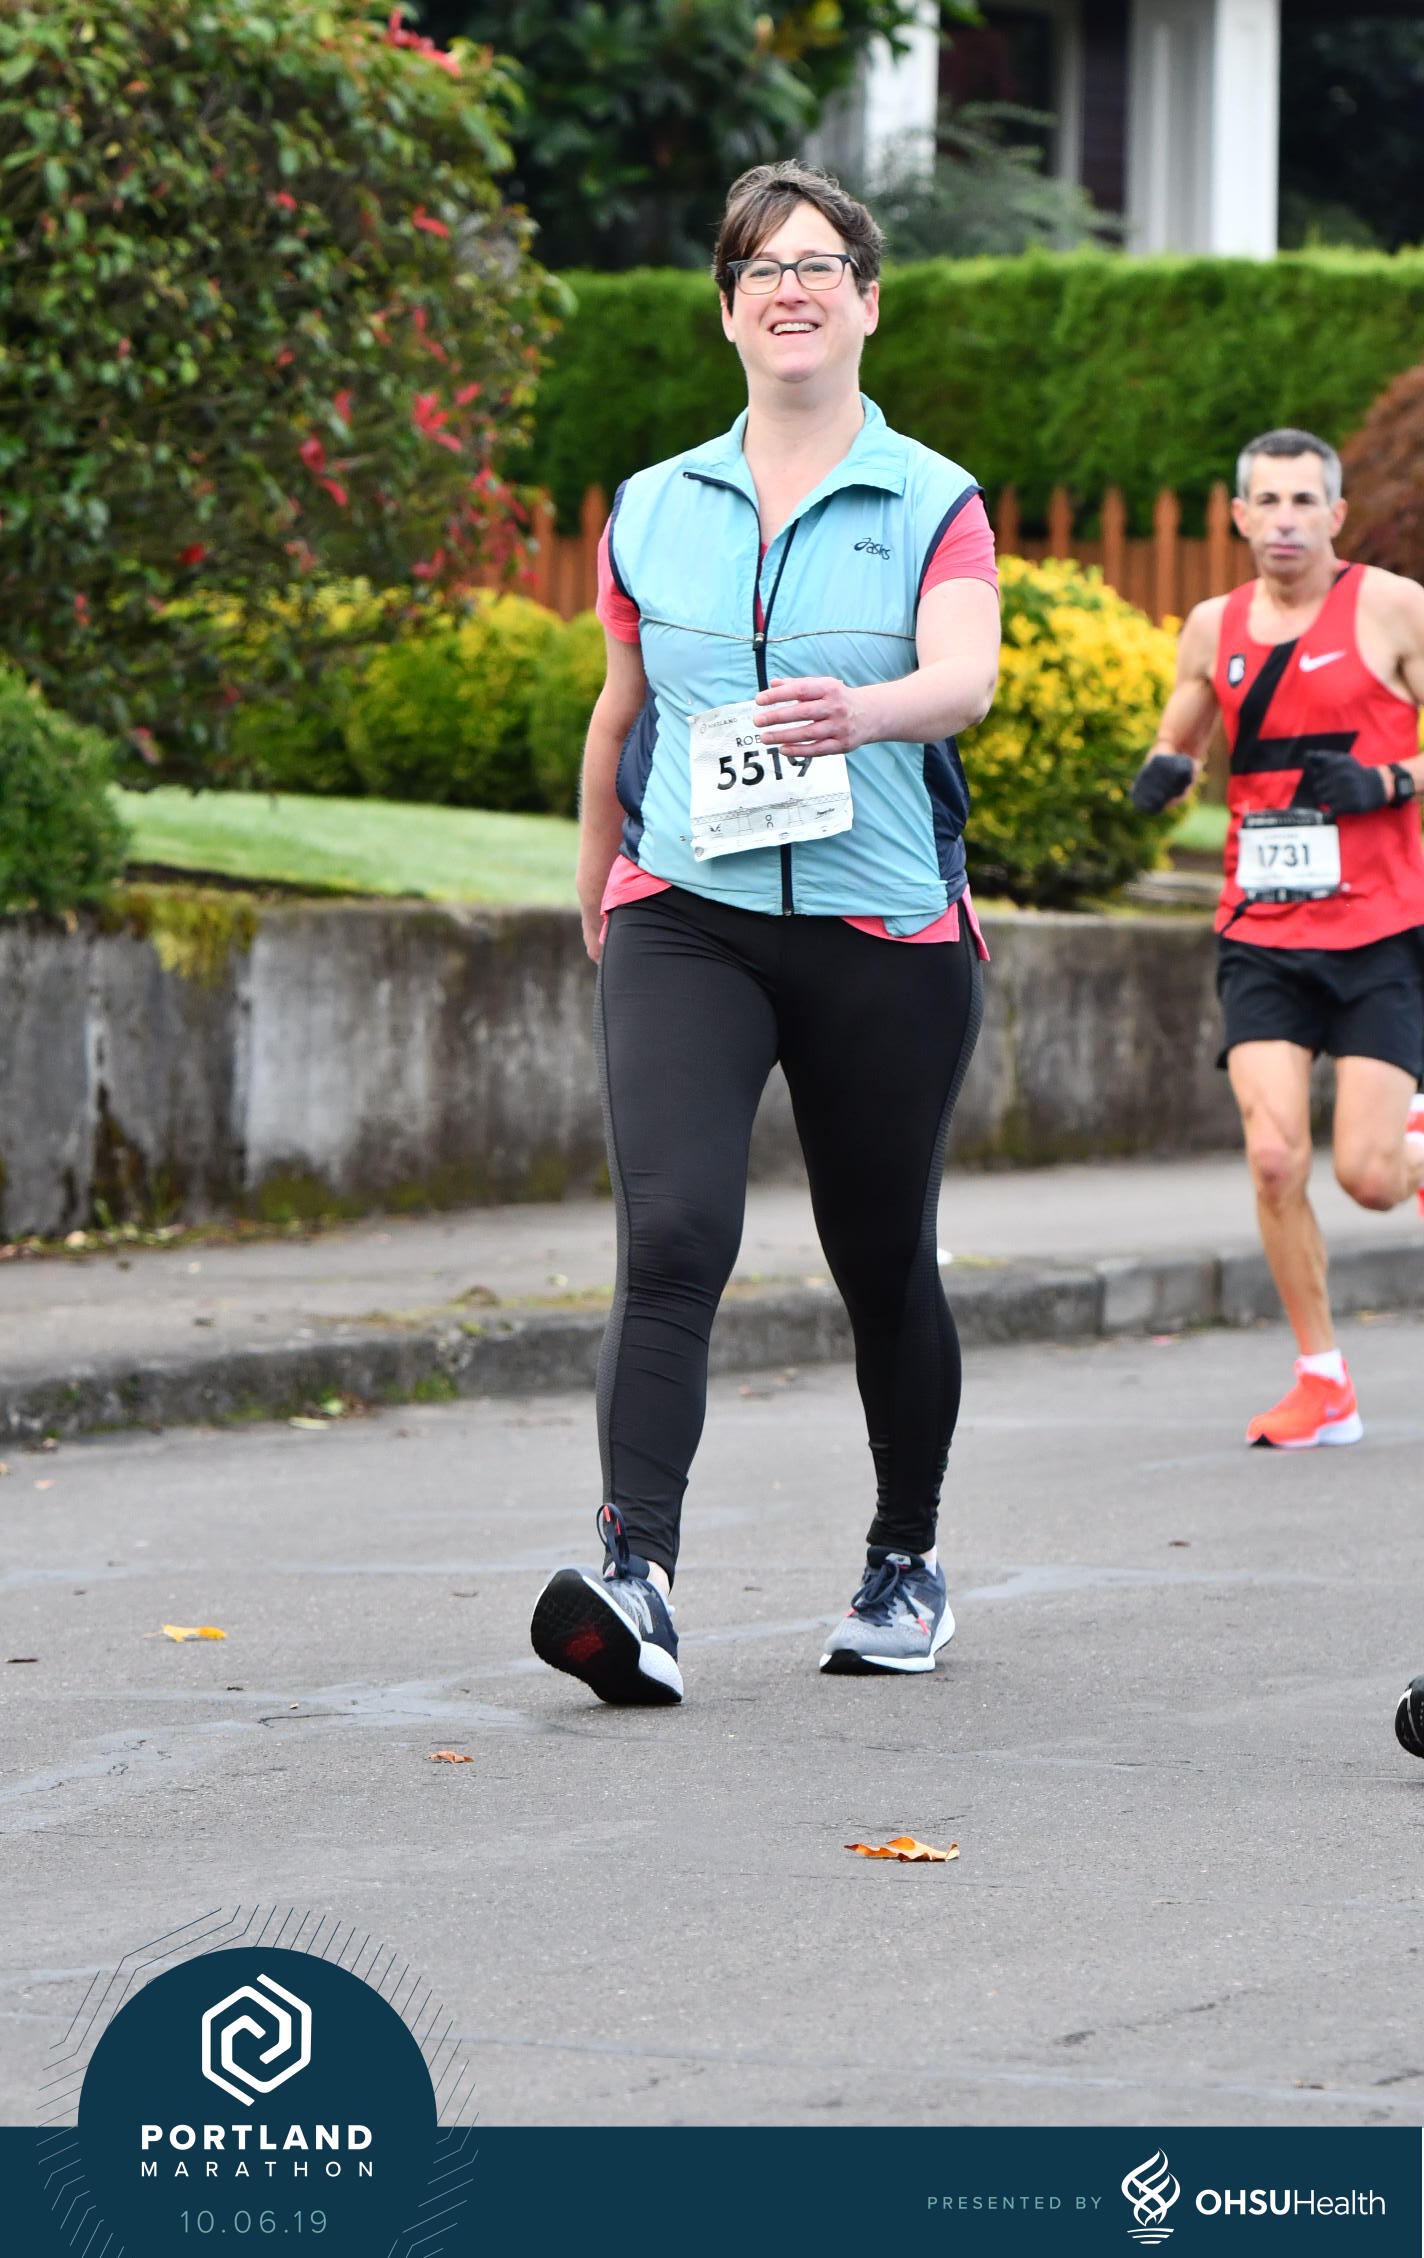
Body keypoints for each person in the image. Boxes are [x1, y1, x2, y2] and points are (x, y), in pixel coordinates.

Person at [528, 162, 1001, 1704]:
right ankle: (636, 1584)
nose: (789, 289)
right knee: (672, 1236)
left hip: (885, 932)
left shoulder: (931, 499)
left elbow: (968, 678)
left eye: (817, 266)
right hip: (689, 918)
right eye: (758, 270)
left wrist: (861, 713)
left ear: (868, 302)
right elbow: (622, 709)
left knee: (881, 1257)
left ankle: (905, 1561)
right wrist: (600, 878)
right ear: (727, 312)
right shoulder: (653, 507)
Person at [1132, 428, 1424, 1448]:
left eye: (1305, 501)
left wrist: (1389, 781)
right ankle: (1322, 1380)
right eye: (1268, 501)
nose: (1286, 520)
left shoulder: (1391, 607)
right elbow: (1180, 736)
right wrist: (1164, 773)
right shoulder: (1212, 626)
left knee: (1369, 1179)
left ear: (1335, 515)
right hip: (1259, 929)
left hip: (1378, 928)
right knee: (1270, 1157)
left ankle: (1409, 1146)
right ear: (1238, 515)